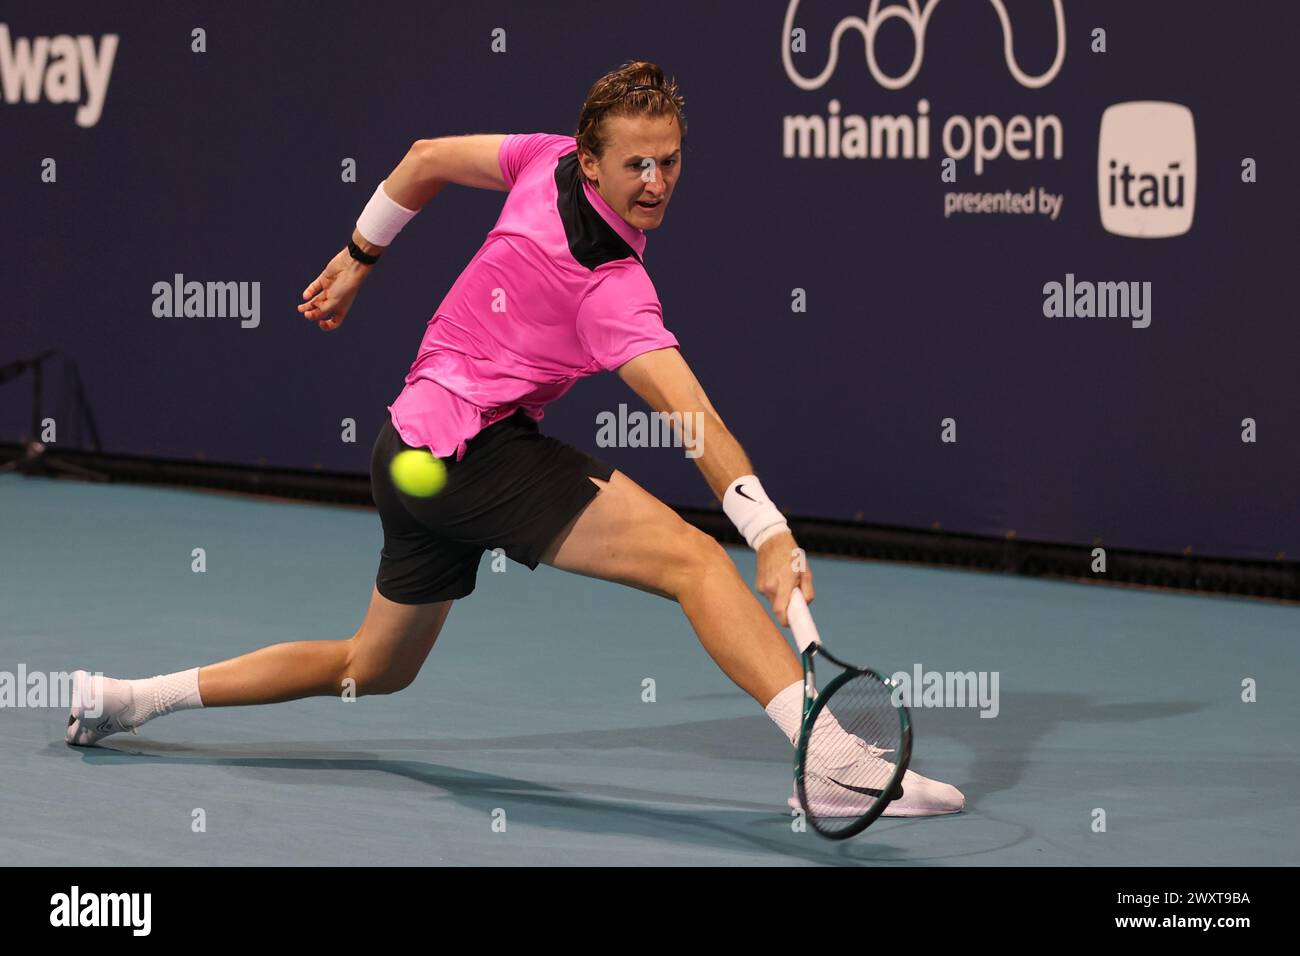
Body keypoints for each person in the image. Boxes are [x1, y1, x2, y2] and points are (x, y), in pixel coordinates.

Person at [67, 61, 963, 818]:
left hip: (404, 452)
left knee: (370, 668)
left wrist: (358, 258)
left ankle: (127, 699)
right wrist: (769, 534)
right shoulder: (611, 287)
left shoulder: (542, 161)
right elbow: (696, 418)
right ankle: (829, 761)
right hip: (469, 455)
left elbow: (420, 163)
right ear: (593, 161)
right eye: (637, 165)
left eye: (672, 162)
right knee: (696, 562)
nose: (655, 182)